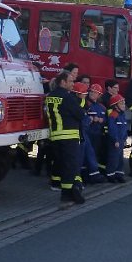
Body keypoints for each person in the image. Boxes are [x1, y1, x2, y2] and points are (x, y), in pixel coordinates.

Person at [44, 71, 85, 204]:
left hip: (55, 136)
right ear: (63, 82)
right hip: (69, 136)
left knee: (61, 163)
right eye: (71, 81)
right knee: (70, 166)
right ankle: (67, 195)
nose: (73, 84)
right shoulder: (67, 98)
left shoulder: (50, 96)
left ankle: (67, 190)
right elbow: (79, 114)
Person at [104, 90, 128, 183]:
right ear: (115, 105)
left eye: (123, 103)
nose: (123, 105)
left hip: (121, 141)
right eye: (121, 103)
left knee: (120, 159)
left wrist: (125, 139)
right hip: (115, 141)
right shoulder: (113, 115)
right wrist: (116, 140)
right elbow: (112, 129)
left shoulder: (122, 115)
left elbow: (124, 128)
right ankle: (110, 175)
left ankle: (119, 174)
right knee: (113, 158)